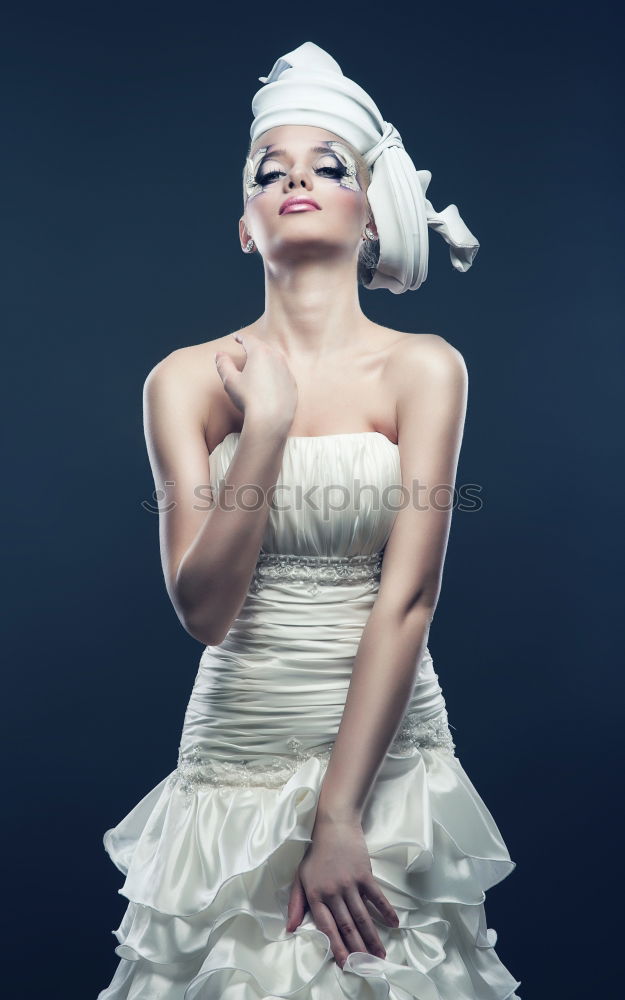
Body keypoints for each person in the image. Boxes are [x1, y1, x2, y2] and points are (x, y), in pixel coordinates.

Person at [97, 41, 522, 999]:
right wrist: (268, 425)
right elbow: (202, 610)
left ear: (370, 212)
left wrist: (339, 816)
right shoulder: (184, 380)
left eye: (328, 166)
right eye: (269, 169)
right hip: (236, 742)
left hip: (387, 755)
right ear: (245, 225)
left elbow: (408, 599)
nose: (296, 180)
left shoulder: (425, 368)